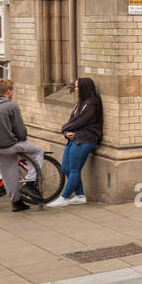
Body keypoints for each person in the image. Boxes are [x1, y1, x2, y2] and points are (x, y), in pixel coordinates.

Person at [0, 78, 45, 213]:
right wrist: (21, 139)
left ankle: (16, 203)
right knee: (38, 151)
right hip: (10, 145)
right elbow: (20, 130)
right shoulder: (11, 106)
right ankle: (30, 183)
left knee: (8, 173)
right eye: (12, 90)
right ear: (8, 91)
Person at [48, 77, 103, 207]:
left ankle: (65, 197)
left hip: (85, 139)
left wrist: (64, 129)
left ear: (85, 88)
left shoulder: (91, 104)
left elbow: (79, 122)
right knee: (65, 167)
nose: (76, 89)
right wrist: (66, 133)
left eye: (78, 87)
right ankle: (80, 195)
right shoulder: (80, 103)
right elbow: (71, 121)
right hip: (75, 137)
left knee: (74, 169)